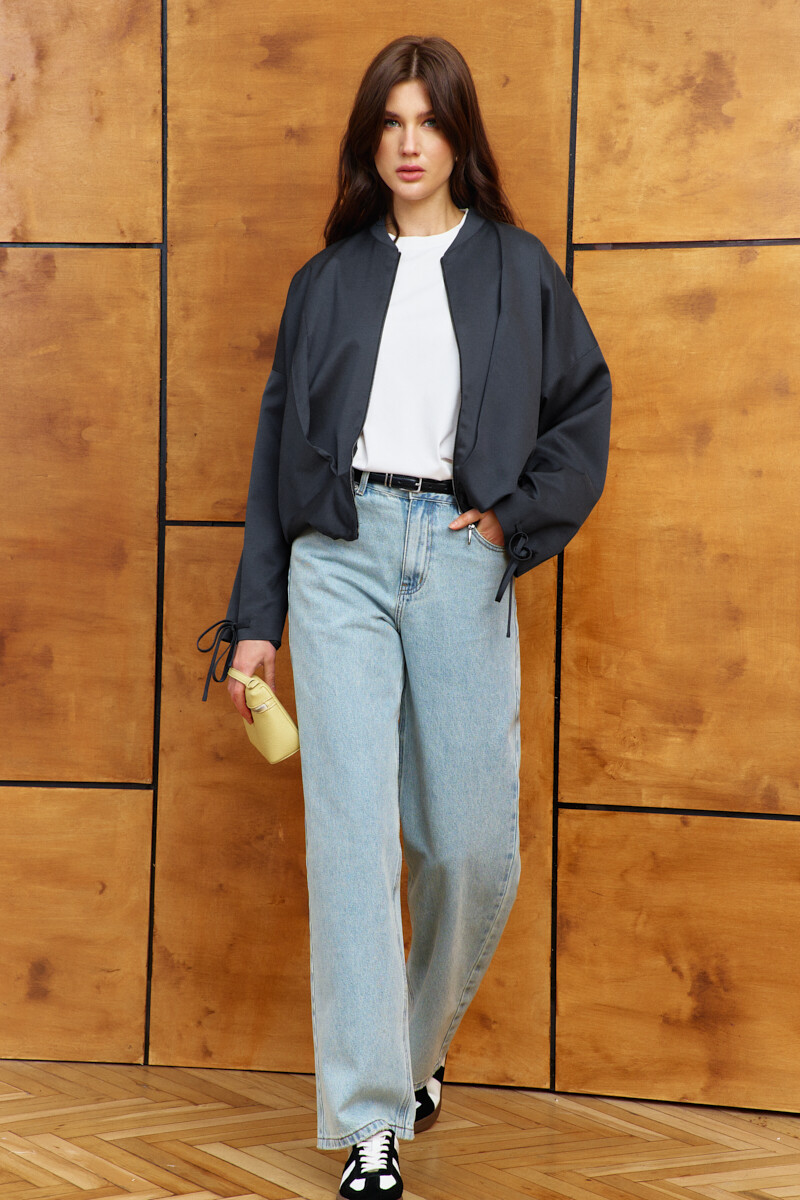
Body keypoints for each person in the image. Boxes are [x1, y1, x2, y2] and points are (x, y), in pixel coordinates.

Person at [201, 34, 611, 1200]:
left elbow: (581, 408)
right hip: (338, 558)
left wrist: (510, 521)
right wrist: (256, 621)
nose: (409, 142)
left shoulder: (517, 269)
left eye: (428, 120)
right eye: (390, 121)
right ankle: (370, 1122)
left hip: (457, 551)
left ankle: (413, 1051)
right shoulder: (324, 281)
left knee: (469, 848)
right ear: (367, 140)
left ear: (458, 135)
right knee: (350, 840)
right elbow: (275, 457)